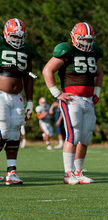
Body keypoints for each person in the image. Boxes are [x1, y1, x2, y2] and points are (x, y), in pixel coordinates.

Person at [42, 22, 104, 185]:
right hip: (72, 99)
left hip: (88, 100)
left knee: (86, 136)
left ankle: (78, 172)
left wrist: (96, 91)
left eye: (90, 40)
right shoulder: (66, 50)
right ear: (75, 38)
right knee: (73, 134)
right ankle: (67, 173)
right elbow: (47, 70)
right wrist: (56, 93)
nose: (87, 43)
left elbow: (99, 73)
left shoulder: (94, 52)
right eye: (84, 39)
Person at [0, 18, 35, 185]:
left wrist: (30, 102)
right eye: (14, 36)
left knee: (15, 132)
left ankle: (11, 172)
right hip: (0, 94)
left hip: (17, 97)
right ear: (6, 34)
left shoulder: (27, 50)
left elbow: (29, 78)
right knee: (3, 132)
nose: (17, 40)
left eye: (20, 37)